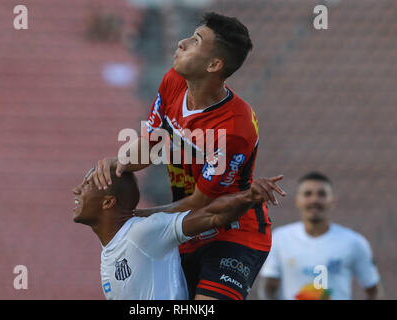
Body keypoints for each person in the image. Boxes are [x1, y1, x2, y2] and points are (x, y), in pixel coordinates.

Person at [93, 12, 271, 300]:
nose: (182, 42)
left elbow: (200, 202)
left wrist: (137, 220)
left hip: (233, 232)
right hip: (185, 232)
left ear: (214, 64)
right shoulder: (174, 81)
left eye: (196, 40)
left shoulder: (233, 128)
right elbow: (151, 143)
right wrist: (120, 162)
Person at [73, 167, 285, 300]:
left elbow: (212, 216)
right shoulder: (110, 251)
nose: (77, 190)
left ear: (108, 202)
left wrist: (249, 196)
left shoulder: (141, 233)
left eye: (87, 184)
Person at [258, 172, 383, 300]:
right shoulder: (280, 238)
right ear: (297, 200)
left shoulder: (354, 242)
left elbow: (373, 290)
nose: (315, 200)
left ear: (333, 201)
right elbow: (268, 288)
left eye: (322, 194)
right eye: (308, 194)